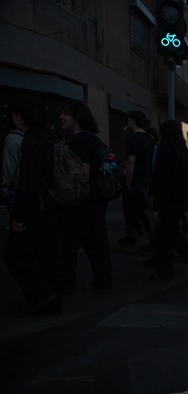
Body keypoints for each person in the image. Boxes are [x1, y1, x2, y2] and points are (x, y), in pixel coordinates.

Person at [4, 97, 66, 316]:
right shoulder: (52, 139)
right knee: (49, 254)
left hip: (38, 209)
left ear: (21, 118)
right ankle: (54, 299)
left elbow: (28, 183)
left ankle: (42, 296)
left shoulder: (30, 141)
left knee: (14, 252)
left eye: (13, 116)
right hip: (56, 206)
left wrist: (18, 217)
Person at [59, 102, 113, 294]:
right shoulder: (92, 138)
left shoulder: (80, 140)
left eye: (65, 113)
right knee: (96, 242)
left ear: (77, 117)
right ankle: (103, 280)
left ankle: (65, 283)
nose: (61, 117)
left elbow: (82, 174)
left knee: (69, 242)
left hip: (85, 200)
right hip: (97, 198)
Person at [149, 120, 188, 281]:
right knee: (165, 237)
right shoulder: (181, 152)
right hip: (178, 201)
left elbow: (162, 183)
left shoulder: (167, 153)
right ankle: (165, 271)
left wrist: (156, 207)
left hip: (168, 203)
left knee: (171, 237)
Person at [120, 111, 154, 246]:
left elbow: (130, 162)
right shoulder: (149, 139)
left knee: (140, 211)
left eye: (128, 121)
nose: (127, 124)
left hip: (136, 180)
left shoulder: (133, 140)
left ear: (133, 121)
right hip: (146, 178)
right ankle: (131, 234)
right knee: (137, 208)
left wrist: (127, 182)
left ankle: (152, 239)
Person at [1, 115, 24, 214]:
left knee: (15, 213)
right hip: (22, 183)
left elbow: (9, 165)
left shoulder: (12, 138)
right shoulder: (25, 137)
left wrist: (5, 185)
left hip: (14, 184)